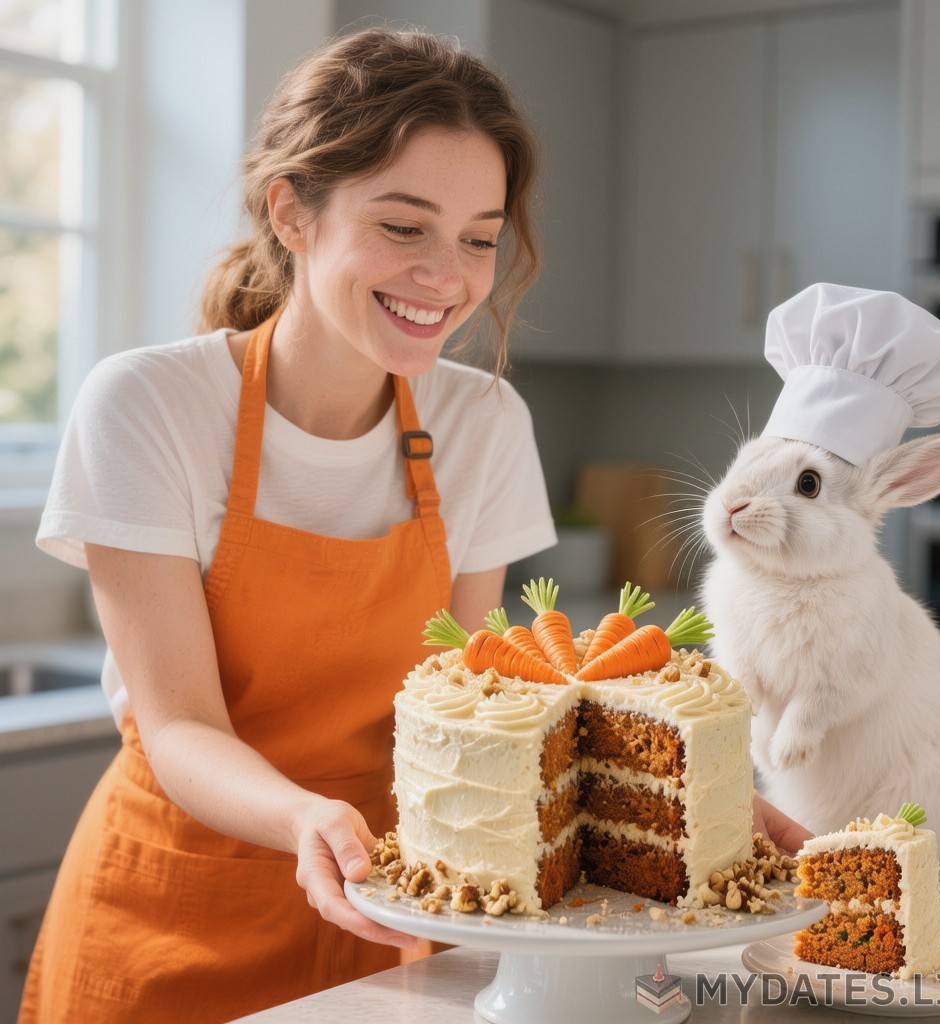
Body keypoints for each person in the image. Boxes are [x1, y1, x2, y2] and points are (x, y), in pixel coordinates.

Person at [20, 27, 557, 1023]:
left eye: (479, 237)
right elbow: (178, 722)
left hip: (396, 912)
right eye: (405, 227)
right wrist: (310, 818)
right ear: (292, 212)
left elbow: (473, 701)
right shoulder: (148, 404)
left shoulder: (484, 422)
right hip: (172, 911)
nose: (448, 276)